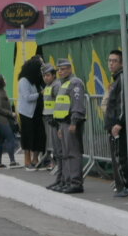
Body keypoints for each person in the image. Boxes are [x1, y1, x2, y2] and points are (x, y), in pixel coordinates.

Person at [105, 49, 128, 198]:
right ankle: (125, 186)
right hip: (116, 125)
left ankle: (125, 187)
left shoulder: (123, 79)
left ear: (122, 63)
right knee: (120, 157)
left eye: (114, 61)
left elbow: (124, 103)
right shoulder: (118, 78)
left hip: (120, 127)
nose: (111, 64)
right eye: (109, 61)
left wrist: (119, 123)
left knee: (121, 158)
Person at [52, 58, 87, 194]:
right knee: (66, 154)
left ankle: (76, 183)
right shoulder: (63, 84)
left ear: (70, 69)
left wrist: (74, 122)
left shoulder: (75, 83)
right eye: (59, 69)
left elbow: (77, 104)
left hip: (72, 123)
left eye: (63, 69)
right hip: (64, 123)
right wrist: (61, 127)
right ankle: (67, 181)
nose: (60, 72)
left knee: (73, 153)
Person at [15, 57, 45, 170]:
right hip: (27, 113)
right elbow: (27, 97)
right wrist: (40, 94)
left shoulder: (36, 80)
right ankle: (27, 160)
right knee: (28, 136)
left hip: (37, 112)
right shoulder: (24, 81)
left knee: (39, 135)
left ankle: (35, 159)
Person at [0, 75, 19, 168]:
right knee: (10, 139)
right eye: (4, 79)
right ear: (0, 82)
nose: (5, 80)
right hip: (2, 120)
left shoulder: (1, 92)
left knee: (0, 141)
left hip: (1, 120)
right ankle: (12, 161)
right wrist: (11, 114)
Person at [40, 62, 60, 172]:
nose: (45, 78)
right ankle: (56, 163)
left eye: (47, 75)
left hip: (56, 119)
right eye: (44, 75)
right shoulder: (48, 86)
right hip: (50, 118)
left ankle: (59, 165)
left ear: (53, 75)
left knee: (57, 143)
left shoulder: (56, 85)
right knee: (54, 143)